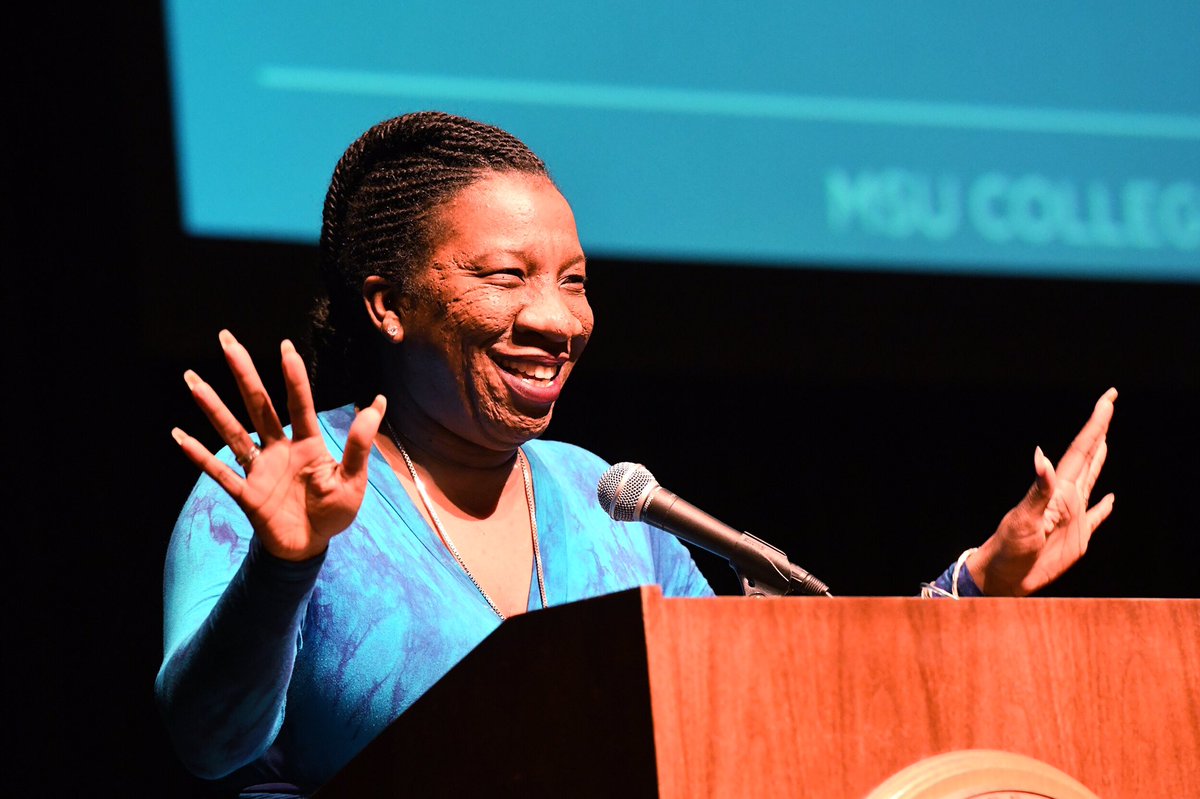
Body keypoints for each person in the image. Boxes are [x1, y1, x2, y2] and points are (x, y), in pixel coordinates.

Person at [155, 111, 1116, 797]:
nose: (556, 320)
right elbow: (206, 741)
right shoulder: (280, 486)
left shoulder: (605, 499)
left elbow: (763, 726)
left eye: (574, 281)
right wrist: (285, 565)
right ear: (387, 304)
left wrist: (976, 587)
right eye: (507, 275)